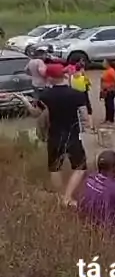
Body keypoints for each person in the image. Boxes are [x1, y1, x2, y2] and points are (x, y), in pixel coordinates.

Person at [16, 62, 88, 205]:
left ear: (49, 78)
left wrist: (24, 101)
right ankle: (68, 197)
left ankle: (61, 197)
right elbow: (84, 116)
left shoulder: (45, 95)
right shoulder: (77, 94)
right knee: (80, 167)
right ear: (63, 76)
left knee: (55, 168)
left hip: (54, 135)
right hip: (73, 135)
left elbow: (35, 113)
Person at [71, 61, 93, 129]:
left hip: (74, 94)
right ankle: (90, 125)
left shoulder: (72, 77)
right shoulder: (84, 78)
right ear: (81, 69)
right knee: (88, 109)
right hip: (83, 94)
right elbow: (89, 84)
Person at [100, 59, 115, 125]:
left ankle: (111, 119)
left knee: (110, 104)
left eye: (104, 62)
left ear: (107, 63)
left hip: (110, 90)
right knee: (107, 104)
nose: (103, 63)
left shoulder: (111, 71)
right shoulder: (107, 70)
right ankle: (107, 118)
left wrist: (114, 87)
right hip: (106, 90)